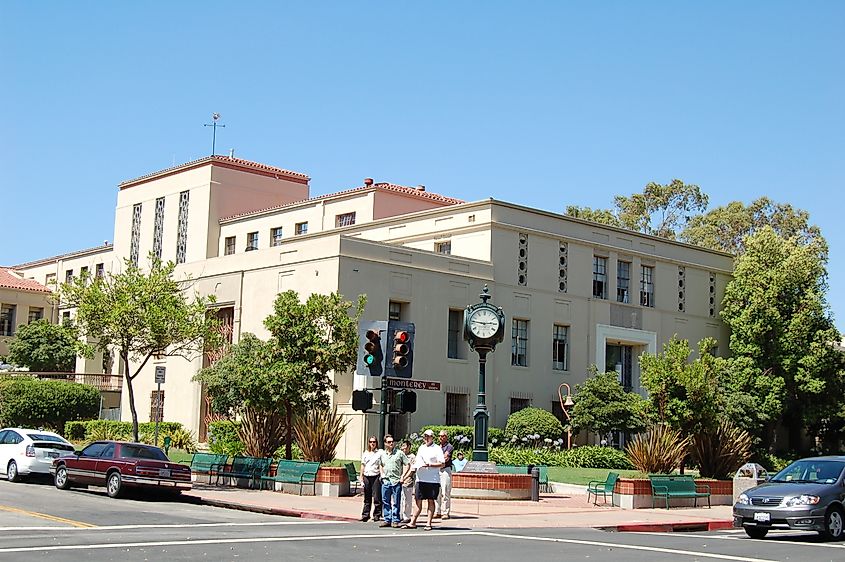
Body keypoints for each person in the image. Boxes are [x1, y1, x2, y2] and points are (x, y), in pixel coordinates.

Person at [402, 429, 444, 531]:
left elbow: (442, 463)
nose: (426, 438)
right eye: (425, 436)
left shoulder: (437, 449)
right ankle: (413, 522)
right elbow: (417, 462)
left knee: (431, 501)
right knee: (418, 501)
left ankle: (428, 523)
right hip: (420, 479)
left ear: (432, 437)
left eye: (428, 436)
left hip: (432, 480)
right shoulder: (421, 448)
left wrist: (430, 465)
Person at [377, 434, 409, 528]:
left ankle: (395, 520)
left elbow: (407, 464)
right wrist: (382, 474)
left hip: (396, 481)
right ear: (385, 443)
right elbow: (381, 464)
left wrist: (403, 476)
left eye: (392, 441)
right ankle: (387, 519)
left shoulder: (399, 453)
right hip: (386, 481)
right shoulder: (382, 454)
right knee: (385, 501)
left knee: (396, 501)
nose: (391, 443)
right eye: (389, 442)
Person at [360, 436, 383, 522]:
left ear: (376, 443)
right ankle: (365, 515)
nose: (372, 443)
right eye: (371, 442)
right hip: (367, 476)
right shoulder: (366, 453)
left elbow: (381, 464)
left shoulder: (380, 452)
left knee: (377, 497)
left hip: (375, 475)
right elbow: (363, 465)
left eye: (374, 442)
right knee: (367, 497)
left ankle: (377, 514)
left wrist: (382, 475)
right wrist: (361, 476)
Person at [435, 429, 454, 519]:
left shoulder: (449, 447)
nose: (441, 438)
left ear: (446, 437)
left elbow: (445, 458)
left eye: (442, 436)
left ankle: (445, 512)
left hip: (445, 470)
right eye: (440, 436)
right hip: (437, 470)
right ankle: (437, 511)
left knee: (445, 491)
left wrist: (437, 460)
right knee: (437, 492)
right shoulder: (437, 447)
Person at [399, 439, 416, 523]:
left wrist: (404, 477)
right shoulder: (400, 455)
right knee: (400, 499)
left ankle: (407, 516)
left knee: (407, 500)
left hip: (408, 480)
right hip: (399, 480)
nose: (403, 448)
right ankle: (400, 515)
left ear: (409, 447)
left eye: (405, 446)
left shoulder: (412, 457)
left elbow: (412, 470)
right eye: (402, 446)